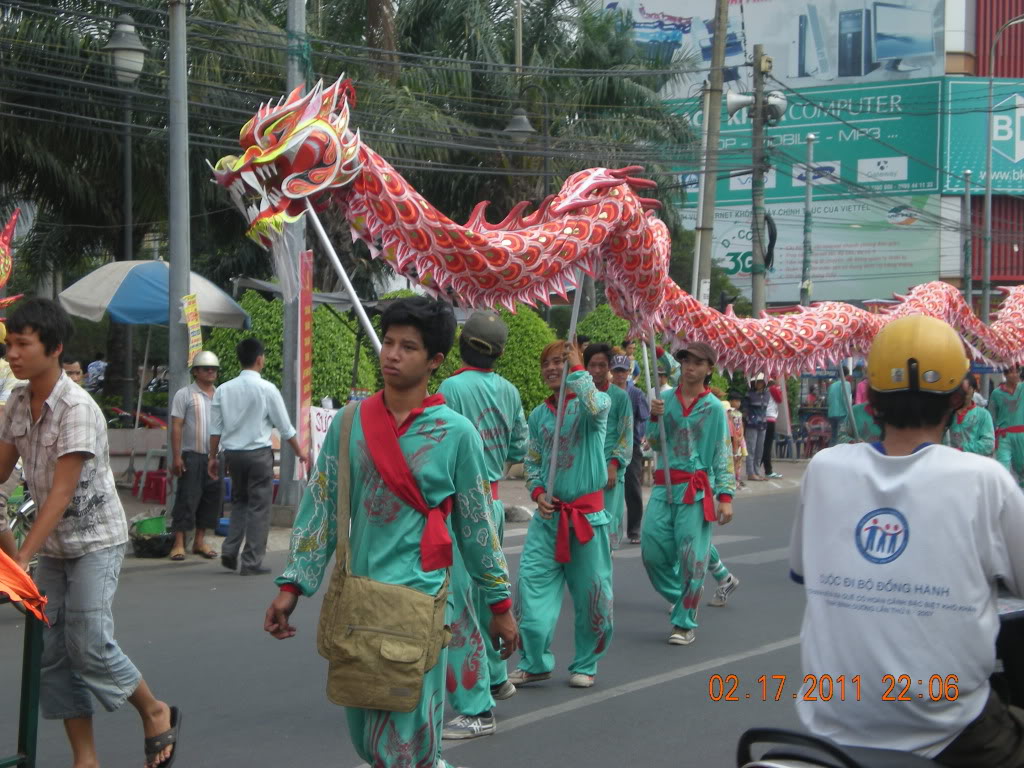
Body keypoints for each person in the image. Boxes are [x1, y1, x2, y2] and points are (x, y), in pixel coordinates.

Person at [265, 297, 518, 768]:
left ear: (435, 361)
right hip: (358, 602)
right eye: (389, 342)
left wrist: (500, 606)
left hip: (418, 605)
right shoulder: (347, 423)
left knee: (403, 747)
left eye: (408, 346)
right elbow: (320, 506)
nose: (392, 354)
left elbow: (477, 529)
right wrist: (292, 585)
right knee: (367, 739)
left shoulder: (458, 434)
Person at [790, 315, 1024, 764]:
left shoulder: (824, 470)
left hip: (830, 724)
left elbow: (804, 570)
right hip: (950, 728)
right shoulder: (983, 480)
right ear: (960, 399)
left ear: (871, 397)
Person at [0, 298, 180, 768]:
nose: (12, 354)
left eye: (22, 344)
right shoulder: (17, 402)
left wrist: (19, 562)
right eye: (9, 344)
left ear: (54, 348)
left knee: (89, 642)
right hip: (56, 547)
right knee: (54, 655)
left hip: (96, 541)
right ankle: (86, 758)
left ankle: (154, 709)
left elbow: (59, 495)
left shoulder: (76, 407)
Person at [436, 310, 527, 740]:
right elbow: (519, 445)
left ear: (462, 344)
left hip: (459, 509)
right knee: (487, 597)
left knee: (459, 609)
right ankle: (496, 677)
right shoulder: (509, 391)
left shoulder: (449, 388)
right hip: (490, 502)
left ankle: (476, 709)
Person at [512, 339, 612, 689]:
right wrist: (537, 493)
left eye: (560, 361)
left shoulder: (593, 406)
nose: (552, 368)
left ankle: (586, 662)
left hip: (586, 520)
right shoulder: (538, 415)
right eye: (547, 363)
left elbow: (596, 407)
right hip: (548, 520)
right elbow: (533, 462)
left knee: (592, 596)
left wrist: (580, 368)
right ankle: (535, 661)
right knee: (529, 588)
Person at [643, 342, 735, 645]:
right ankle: (683, 598)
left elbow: (723, 452)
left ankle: (684, 623)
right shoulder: (664, 399)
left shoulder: (713, 408)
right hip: (663, 487)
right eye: (686, 361)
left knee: (693, 560)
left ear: (709, 369)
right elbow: (654, 444)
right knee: (652, 553)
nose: (690, 367)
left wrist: (725, 496)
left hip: (695, 491)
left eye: (698, 362)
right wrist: (654, 418)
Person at [208, 337, 308, 575]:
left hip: (233, 455)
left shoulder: (223, 389)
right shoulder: (267, 389)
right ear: (260, 359)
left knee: (240, 502)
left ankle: (229, 551)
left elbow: (215, 429)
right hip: (258, 455)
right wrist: (300, 452)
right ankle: (251, 560)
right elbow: (285, 428)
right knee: (259, 507)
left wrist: (213, 457)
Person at [168, 351, 223, 562]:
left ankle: (200, 540)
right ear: (196, 372)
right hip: (192, 455)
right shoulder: (185, 394)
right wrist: (176, 456)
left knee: (211, 500)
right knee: (186, 499)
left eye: (214, 369)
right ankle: (179, 542)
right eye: (206, 369)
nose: (211, 372)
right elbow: (177, 426)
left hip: (215, 457)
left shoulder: (220, 394)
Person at [584, 343, 632, 550]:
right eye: (592, 365)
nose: (596, 370)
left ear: (609, 368)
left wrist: (614, 464)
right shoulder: (580, 396)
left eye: (601, 365)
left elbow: (626, 434)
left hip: (610, 471)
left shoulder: (620, 397)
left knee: (608, 527)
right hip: (584, 471)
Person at [616, 353, 650, 546]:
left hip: (631, 445)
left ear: (629, 372)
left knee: (632, 488)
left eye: (623, 371)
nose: (620, 375)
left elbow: (643, 417)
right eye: (617, 371)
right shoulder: (607, 392)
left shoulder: (635, 393)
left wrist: (642, 436)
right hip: (610, 445)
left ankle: (634, 528)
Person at [989, 366, 1024, 487]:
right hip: (1004, 437)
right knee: (1002, 469)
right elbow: (992, 417)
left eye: (1017, 371)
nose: (1015, 375)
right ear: (1005, 374)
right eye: (1011, 372)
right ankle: (1002, 498)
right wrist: (991, 438)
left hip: (1022, 435)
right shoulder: (996, 393)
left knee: (1022, 471)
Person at [948, 374, 995, 457]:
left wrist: (962, 449)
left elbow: (989, 444)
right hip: (950, 463)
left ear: (974, 390)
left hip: (975, 463)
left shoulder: (983, 415)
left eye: (967, 388)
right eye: (959, 388)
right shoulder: (947, 414)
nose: (963, 392)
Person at [742, 374, 770, 482]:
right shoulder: (749, 395)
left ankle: (757, 471)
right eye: (758, 382)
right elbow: (745, 409)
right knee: (751, 448)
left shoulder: (767, 394)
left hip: (763, 424)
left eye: (762, 382)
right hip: (752, 424)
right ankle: (750, 473)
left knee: (759, 449)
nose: (759, 384)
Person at [762, 378, 784, 479]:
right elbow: (779, 399)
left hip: (765, 418)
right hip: (770, 418)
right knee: (767, 445)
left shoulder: (765, 389)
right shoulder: (772, 388)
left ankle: (762, 468)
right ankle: (768, 470)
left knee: (764, 444)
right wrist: (778, 387)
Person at [826, 367, 852, 446]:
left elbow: (828, 401)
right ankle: (840, 455)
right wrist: (849, 413)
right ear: (847, 375)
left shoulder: (832, 385)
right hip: (842, 414)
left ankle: (831, 454)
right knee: (842, 437)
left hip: (831, 414)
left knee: (834, 436)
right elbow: (846, 399)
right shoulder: (846, 384)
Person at [726, 390, 746, 488]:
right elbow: (731, 427)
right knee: (733, 458)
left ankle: (737, 478)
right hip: (733, 439)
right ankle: (732, 479)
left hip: (740, 439)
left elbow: (741, 425)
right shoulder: (730, 413)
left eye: (739, 401)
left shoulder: (739, 413)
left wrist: (741, 435)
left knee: (739, 459)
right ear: (730, 401)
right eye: (736, 401)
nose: (738, 403)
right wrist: (736, 437)